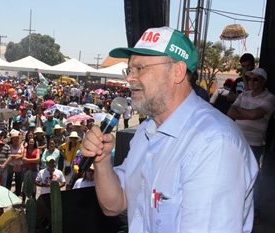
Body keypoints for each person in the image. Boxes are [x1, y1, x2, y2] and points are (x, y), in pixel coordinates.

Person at [80, 27, 259, 232]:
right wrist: (102, 160)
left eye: (141, 68)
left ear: (177, 72)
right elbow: (115, 204)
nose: (130, 78)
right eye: (130, 69)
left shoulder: (213, 144)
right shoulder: (146, 131)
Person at [227, 67, 275, 224]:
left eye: (256, 79)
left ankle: (256, 210)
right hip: (237, 141)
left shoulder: (270, 97)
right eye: (250, 79)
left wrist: (241, 110)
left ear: (263, 81)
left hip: (254, 144)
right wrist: (248, 112)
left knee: (253, 178)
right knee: (234, 175)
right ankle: (236, 207)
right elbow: (230, 112)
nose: (252, 82)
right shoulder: (244, 94)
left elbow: (255, 114)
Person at [6, 131, 23, 196]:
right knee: (9, 180)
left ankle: (17, 194)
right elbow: (8, 155)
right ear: (11, 139)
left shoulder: (21, 146)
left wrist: (12, 156)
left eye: (17, 138)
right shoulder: (9, 146)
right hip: (11, 165)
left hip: (19, 165)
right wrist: (16, 156)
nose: (15, 139)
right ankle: (8, 194)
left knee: (18, 180)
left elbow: (22, 155)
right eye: (14, 138)